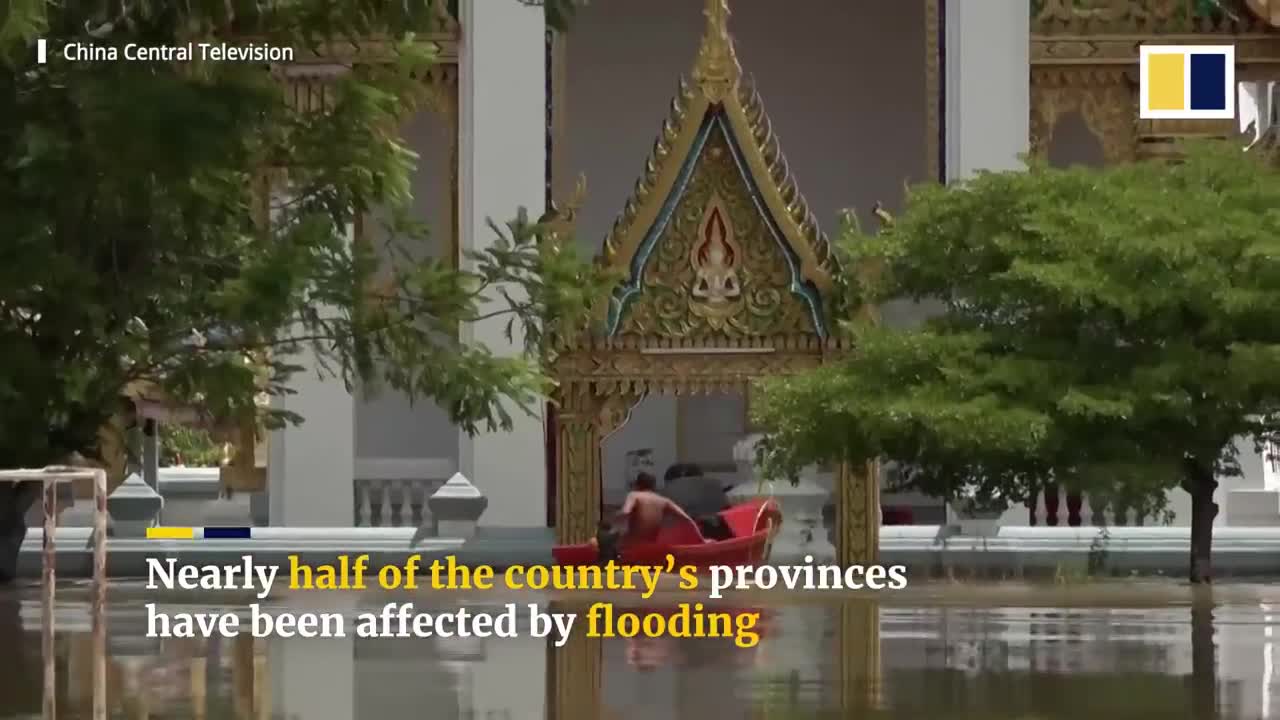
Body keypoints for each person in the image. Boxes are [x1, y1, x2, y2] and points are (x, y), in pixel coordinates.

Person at [617, 472, 696, 544]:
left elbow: (625, 512)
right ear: (654, 486)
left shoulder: (634, 495)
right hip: (652, 543)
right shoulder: (664, 500)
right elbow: (687, 518)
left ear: (637, 485)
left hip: (634, 543)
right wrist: (701, 540)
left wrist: (615, 521)